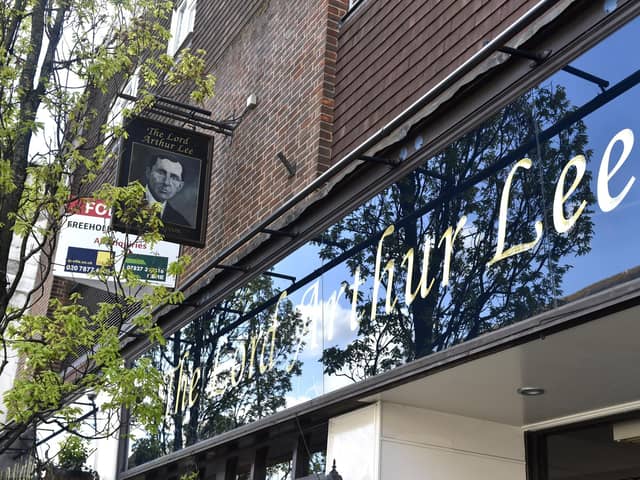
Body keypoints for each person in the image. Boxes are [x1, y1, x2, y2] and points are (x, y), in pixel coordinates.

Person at [144, 155, 192, 227]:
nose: (166, 182)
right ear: (148, 173)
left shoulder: (182, 223)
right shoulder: (125, 201)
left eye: (174, 178)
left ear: (180, 186)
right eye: (161, 173)